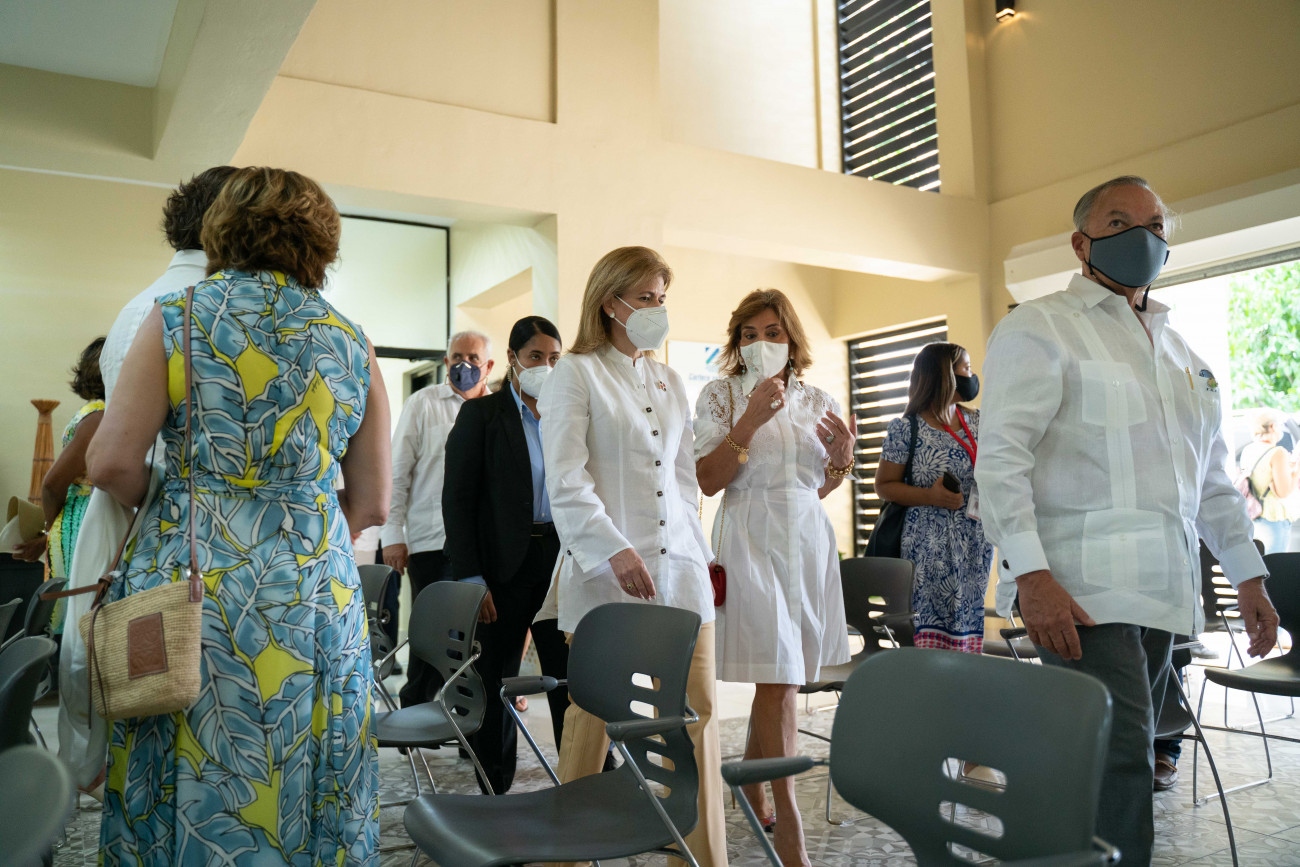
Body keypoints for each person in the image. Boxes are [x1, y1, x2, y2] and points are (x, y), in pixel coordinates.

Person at [86, 166, 391, 864]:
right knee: (315, 758)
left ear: (220, 229)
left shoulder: (179, 317)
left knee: (180, 747)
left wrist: (181, 503)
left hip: (192, 586)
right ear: (322, 241)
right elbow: (373, 501)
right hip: (315, 591)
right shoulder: (351, 339)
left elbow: (109, 462)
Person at [976, 175, 1279, 866]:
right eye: (1120, 222)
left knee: (1116, 753)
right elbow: (1001, 460)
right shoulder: (1040, 326)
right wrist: (1032, 575)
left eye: (1155, 224)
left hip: (1164, 593)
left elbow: (1210, 483)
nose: (1142, 236)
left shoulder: (1183, 357)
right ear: (1081, 244)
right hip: (1080, 591)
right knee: (1120, 758)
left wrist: (1248, 576)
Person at [539, 246, 728, 867]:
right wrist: (613, 548)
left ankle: (701, 860)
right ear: (610, 302)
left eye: (661, 298)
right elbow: (566, 480)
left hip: (682, 577)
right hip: (607, 581)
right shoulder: (575, 373)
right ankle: (565, 856)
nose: (656, 309)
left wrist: (700, 558)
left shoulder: (670, 381)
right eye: (646, 298)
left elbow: (683, 484)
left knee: (698, 720)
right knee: (592, 722)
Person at [57, 165, 237, 794]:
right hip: (169, 533)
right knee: (175, 717)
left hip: (141, 522)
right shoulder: (186, 309)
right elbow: (120, 460)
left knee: (153, 718)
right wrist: (172, 502)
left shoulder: (147, 302)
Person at [693, 289, 852, 867]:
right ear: (737, 343)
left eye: (773, 333)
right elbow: (707, 480)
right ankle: (790, 826)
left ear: (791, 339)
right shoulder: (721, 395)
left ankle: (750, 782)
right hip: (749, 538)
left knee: (781, 673)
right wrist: (751, 418)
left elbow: (817, 485)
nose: (761, 343)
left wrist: (843, 459)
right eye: (750, 334)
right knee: (780, 675)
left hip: (807, 539)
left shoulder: (817, 399)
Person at [441, 315, 571, 794]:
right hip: (501, 569)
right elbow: (457, 501)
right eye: (536, 356)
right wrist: (472, 577)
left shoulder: (566, 415)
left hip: (558, 563)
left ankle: (583, 781)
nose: (545, 366)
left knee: (568, 679)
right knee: (497, 681)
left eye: (554, 358)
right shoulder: (482, 415)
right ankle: (495, 793)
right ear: (513, 359)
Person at [381, 329, 493, 707]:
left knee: (476, 643)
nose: (465, 365)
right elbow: (397, 473)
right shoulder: (423, 404)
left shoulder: (498, 410)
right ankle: (414, 710)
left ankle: (466, 721)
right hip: (432, 541)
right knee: (434, 640)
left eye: (473, 358)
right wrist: (393, 535)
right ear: (446, 362)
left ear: (489, 365)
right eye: (457, 357)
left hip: (484, 547)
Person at [875, 342, 992, 653]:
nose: (972, 376)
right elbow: (884, 486)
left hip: (975, 545)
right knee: (930, 640)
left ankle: (962, 685)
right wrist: (931, 496)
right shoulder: (906, 429)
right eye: (966, 369)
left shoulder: (980, 422)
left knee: (967, 636)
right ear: (945, 376)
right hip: (928, 548)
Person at [13, 338, 107, 594]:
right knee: (84, 605)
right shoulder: (99, 416)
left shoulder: (94, 411)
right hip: (85, 522)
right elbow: (53, 484)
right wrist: (51, 530)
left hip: (81, 519)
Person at [1240, 409, 1299, 554]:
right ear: (1272, 426)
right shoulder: (1278, 452)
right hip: (1274, 519)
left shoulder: (1248, 450)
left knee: (1260, 562)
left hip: (1254, 516)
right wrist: (1297, 468)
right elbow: (1283, 491)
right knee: (1275, 564)